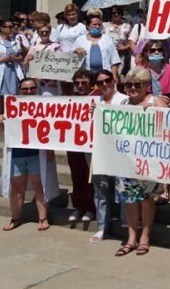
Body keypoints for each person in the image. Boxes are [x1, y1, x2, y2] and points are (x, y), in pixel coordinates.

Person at [114, 68, 169, 257]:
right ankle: (131, 238)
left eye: (137, 85)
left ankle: (144, 237)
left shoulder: (156, 101)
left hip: (148, 160)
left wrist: (155, 113)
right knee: (129, 201)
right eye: (128, 85)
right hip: (127, 160)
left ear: (146, 85)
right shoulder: (123, 102)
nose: (132, 88)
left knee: (146, 200)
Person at [0, 78, 60, 231]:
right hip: (17, 154)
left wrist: (50, 149)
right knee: (17, 188)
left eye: (32, 88)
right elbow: (1, 131)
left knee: (40, 187)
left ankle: (43, 218)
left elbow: (52, 129)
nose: (29, 91)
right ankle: (15, 218)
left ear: (37, 89)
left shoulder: (44, 106)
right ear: (19, 90)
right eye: (25, 89)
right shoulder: (12, 107)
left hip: (37, 154)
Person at [89, 69, 127, 243]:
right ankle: (102, 226)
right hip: (101, 151)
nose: (105, 84)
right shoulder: (95, 102)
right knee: (101, 190)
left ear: (113, 80)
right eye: (100, 82)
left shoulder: (124, 100)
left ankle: (127, 224)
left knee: (123, 188)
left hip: (121, 152)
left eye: (107, 80)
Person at [67, 69, 97, 224]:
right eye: (77, 83)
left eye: (84, 83)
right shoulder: (71, 99)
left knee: (89, 177)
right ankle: (79, 206)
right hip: (73, 143)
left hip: (91, 144)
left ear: (91, 83)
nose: (80, 86)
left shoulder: (97, 99)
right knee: (76, 175)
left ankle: (91, 208)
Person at [0, 19, 25, 117]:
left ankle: (11, 116)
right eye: (9, 27)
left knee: (13, 94)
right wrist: (2, 59)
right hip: (0, 70)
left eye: (13, 27)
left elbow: (20, 56)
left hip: (13, 71)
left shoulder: (15, 40)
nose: (12, 29)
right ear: (2, 28)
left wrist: (15, 59)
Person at [74, 14, 121, 81]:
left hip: (104, 77)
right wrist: (76, 51)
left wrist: (114, 76)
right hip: (87, 77)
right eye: (94, 24)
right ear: (87, 25)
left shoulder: (107, 39)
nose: (97, 26)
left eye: (99, 24)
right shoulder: (80, 40)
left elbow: (114, 60)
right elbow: (71, 58)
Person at [23, 24, 62, 96]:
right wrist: (28, 59)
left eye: (46, 32)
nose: (44, 34)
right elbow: (25, 66)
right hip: (35, 83)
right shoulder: (34, 47)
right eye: (41, 32)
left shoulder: (56, 46)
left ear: (50, 32)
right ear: (37, 33)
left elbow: (60, 64)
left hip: (50, 83)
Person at [143, 40, 170, 108]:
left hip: (166, 107)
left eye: (159, 50)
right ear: (147, 53)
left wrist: (167, 106)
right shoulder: (141, 70)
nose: (157, 52)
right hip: (146, 107)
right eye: (153, 50)